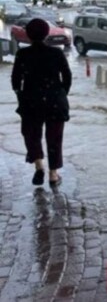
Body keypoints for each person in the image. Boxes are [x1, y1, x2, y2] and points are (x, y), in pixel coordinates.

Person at [11, 18, 71, 187]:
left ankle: (39, 165)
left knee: (31, 134)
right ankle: (53, 174)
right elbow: (67, 76)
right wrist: (61, 94)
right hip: (54, 101)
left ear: (28, 35)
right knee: (55, 137)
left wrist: (20, 95)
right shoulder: (56, 53)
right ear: (47, 33)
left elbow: (16, 79)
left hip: (31, 101)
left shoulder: (23, 54)